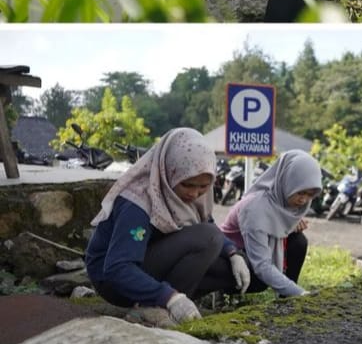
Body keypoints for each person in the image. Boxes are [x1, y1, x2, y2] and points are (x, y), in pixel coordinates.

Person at [85, 128, 250, 324]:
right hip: (112, 282)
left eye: (203, 186)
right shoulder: (139, 201)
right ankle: (156, 307)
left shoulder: (193, 194)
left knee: (228, 269)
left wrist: (233, 253)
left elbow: (206, 222)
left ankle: (166, 301)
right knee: (208, 238)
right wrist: (169, 297)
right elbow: (117, 268)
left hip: (150, 262)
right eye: (187, 185)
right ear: (168, 172)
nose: (195, 194)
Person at [216, 150, 323, 297]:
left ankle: (286, 299)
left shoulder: (283, 202)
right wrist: (300, 293)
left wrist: (290, 227)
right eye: (300, 192)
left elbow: (276, 225)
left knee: (298, 241)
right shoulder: (255, 208)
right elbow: (261, 265)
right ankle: (223, 292)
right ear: (286, 182)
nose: (303, 200)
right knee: (259, 279)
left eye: (310, 195)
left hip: (252, 249)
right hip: (230, 255)